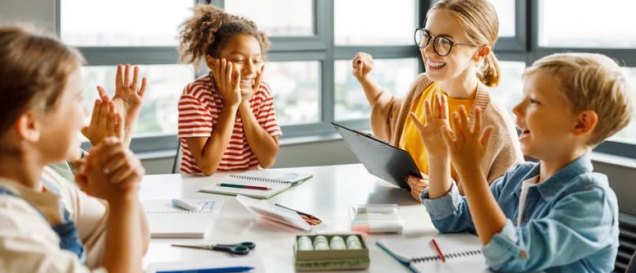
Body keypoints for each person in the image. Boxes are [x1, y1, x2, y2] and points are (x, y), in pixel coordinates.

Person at [415, 52, 631, 272]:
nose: (516, 109)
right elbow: (451, 218)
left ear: (581, 123)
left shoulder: (592, 202)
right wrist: (439, 157)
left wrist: (471, 172)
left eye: (534, 101)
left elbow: (512, 256)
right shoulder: (517, 178)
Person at [0, 25, 148, 273]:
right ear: (30, 125)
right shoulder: (10, 232)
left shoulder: (46, 182)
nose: (85, 115)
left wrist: (122, 191)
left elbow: (135, 242)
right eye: (77, 99)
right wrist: (122, 200)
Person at [352, 0, 522, 200]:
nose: (429, 50)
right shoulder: (422, 86)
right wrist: (364, 80)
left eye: (444, 42)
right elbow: (392, 115)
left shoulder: (494, 124)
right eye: (427, 37)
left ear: (480, 52)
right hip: (404, 219)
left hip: (448, 232)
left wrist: (441, 192)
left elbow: (509, 203)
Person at [177, 4, 281, 175]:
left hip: (248, 187)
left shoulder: (261, 91)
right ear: (212, 62)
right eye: (239, 61)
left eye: (256, 61)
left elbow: (268, 159)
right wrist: (232, 104)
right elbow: (207, 166)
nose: (250, 70)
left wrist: (244, 102)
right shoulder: (195, 96)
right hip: (201, 190)